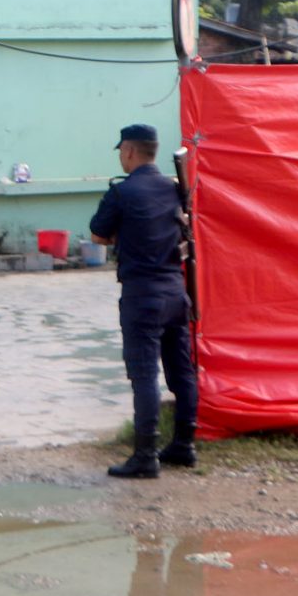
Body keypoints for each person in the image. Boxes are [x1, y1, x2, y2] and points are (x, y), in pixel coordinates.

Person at [89, 123, 199, 479]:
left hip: (142, 296)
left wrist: (128, 233)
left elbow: (97, 234)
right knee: (181, 371)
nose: (121, 156)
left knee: (145, 375)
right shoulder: (175, 188)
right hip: (175, 293)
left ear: (131, 152)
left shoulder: (122, 194)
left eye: (122, 150)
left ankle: (146, 455)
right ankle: (184, 444)